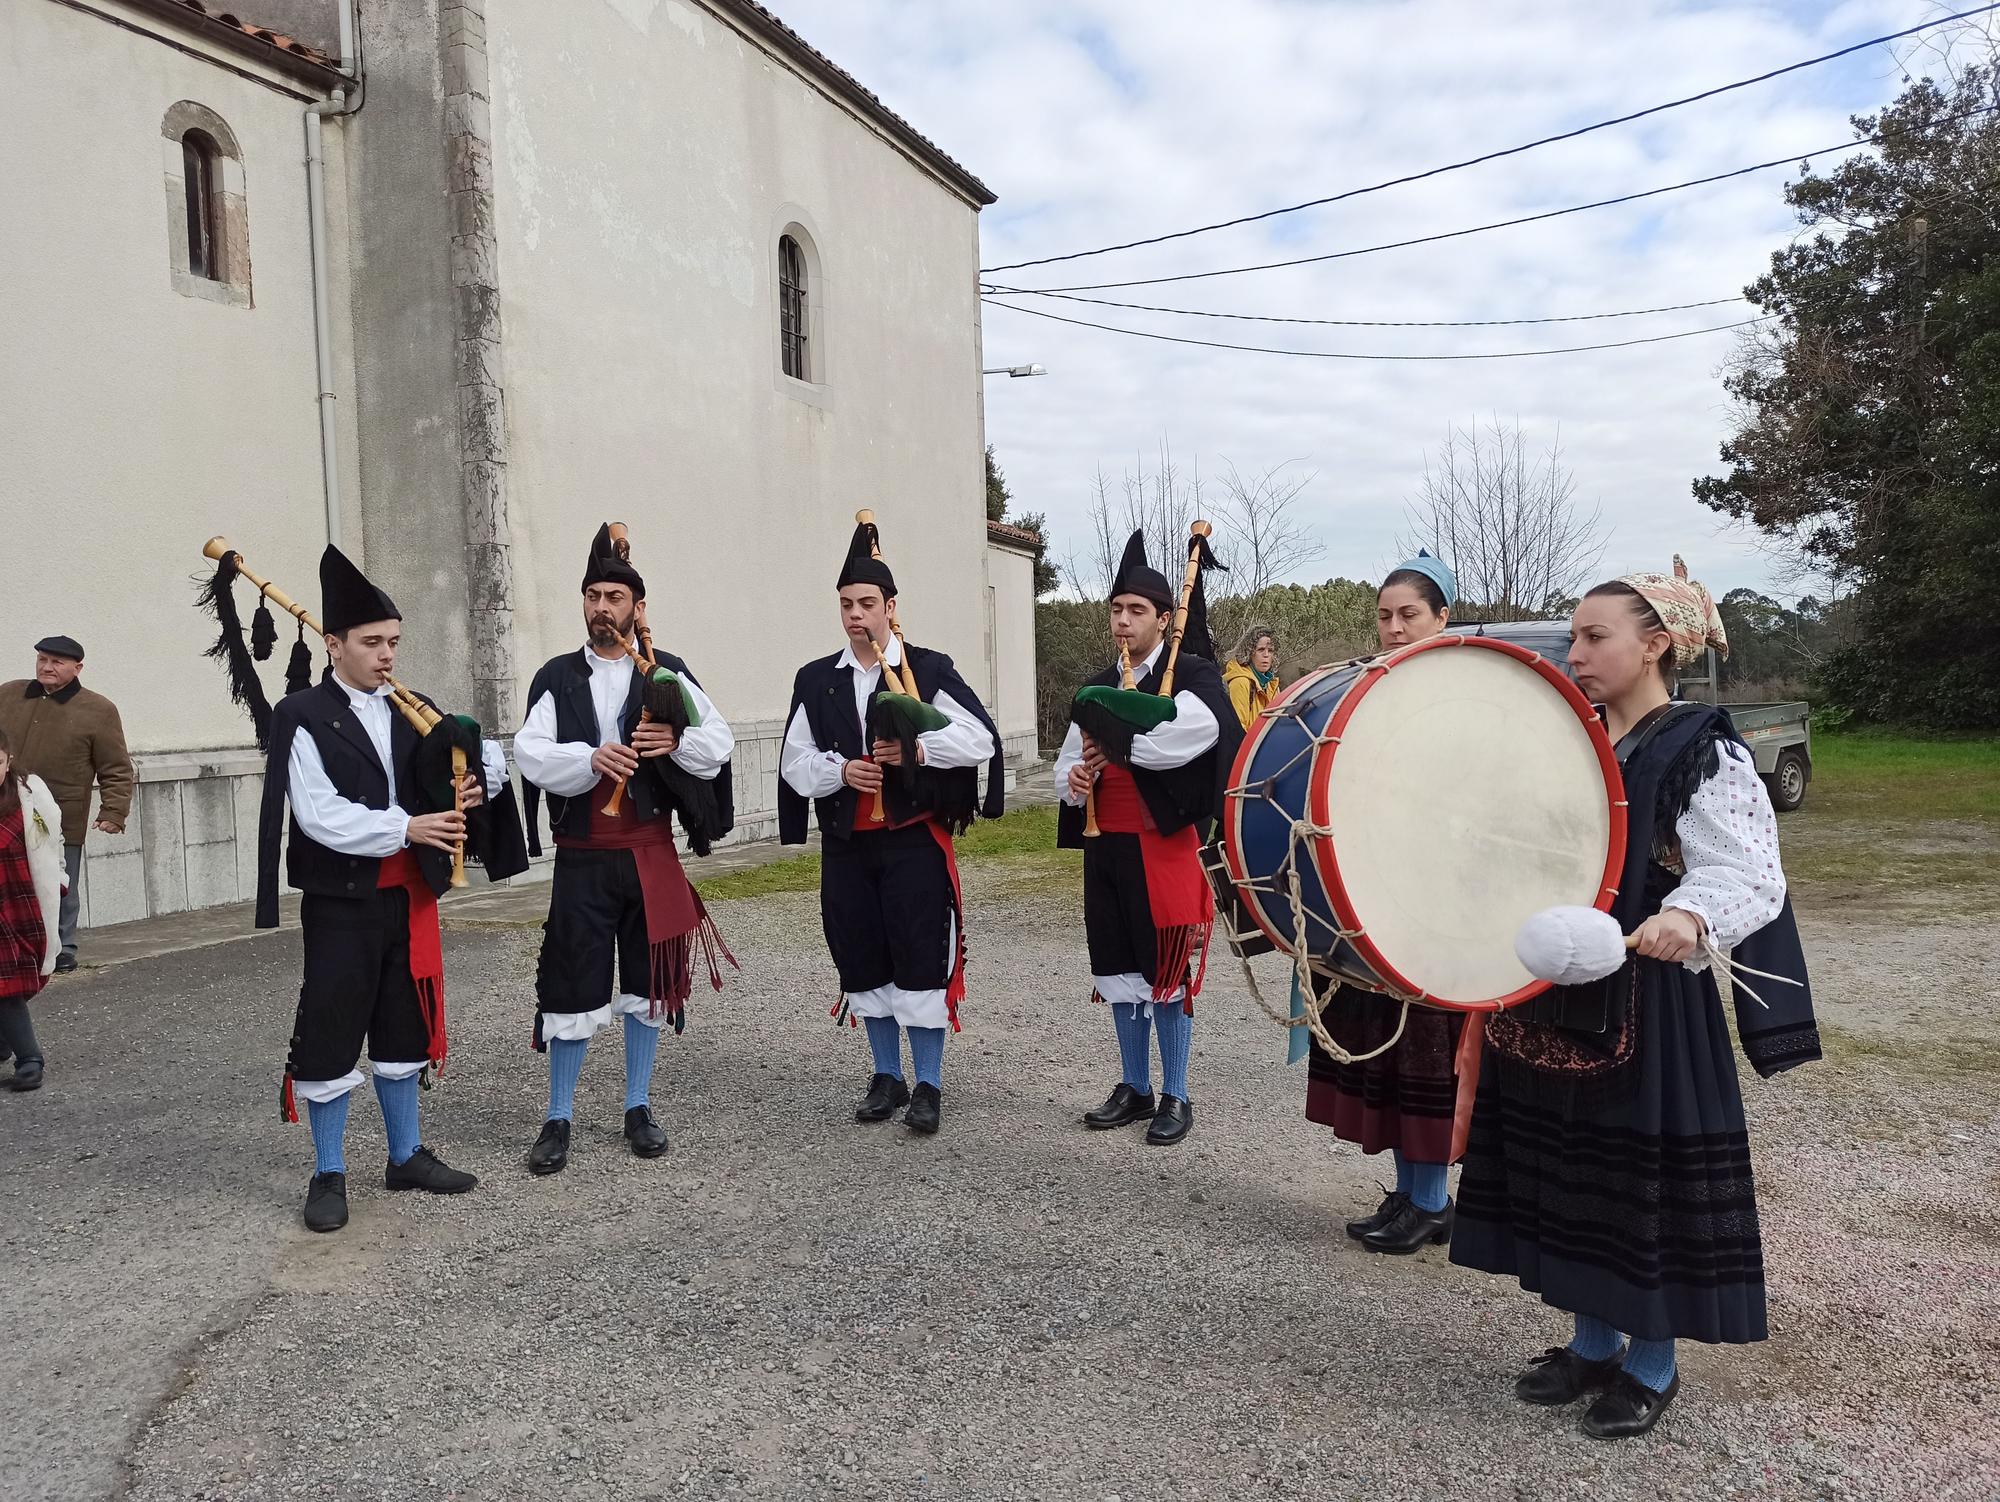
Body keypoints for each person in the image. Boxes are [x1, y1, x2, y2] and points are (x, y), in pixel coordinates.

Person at [1450, 558, 1818, 1440]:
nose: (1574, 651)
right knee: (1566, 1172)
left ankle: (1651, 1364)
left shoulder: (1702, 746)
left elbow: (1749, 871)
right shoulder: (1577, 740)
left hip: (1645, 1005)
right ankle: (1590, 1343)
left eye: (1593, 636)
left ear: (1656, 645)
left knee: (1632, 1182)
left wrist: (1690, 914)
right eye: (1574, 635)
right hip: (1549, 993)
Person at [258, 546, 529, 1233]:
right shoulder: (303, 714)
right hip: (343, 902)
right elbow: (320, 816)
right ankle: (328, 1171)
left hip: (409, 900)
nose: (387, 656)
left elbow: (482, 760)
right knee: (332, 1027)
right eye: (372, 643)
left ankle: (405, 1155)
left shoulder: (416, 710)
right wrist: (408, 825)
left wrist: (471, 782)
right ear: (333, 644)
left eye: (394, 643)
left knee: (403, 1027)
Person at [515, 526, 737, 1175]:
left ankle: (638, 1106)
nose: (601, 607)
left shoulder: (663, 672)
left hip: (648, 852)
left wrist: (675, 743)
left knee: (647, 986)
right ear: (583, 604)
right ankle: (558, 1116)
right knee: (570, 987)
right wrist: (588, 758)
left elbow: (716, 740)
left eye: (614, 596)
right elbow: (530, 752)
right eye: (593, 595)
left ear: (636, 607)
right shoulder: (556, 677)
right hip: (583, 853)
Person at [778, 515, 1003, 1135]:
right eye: (847, 604)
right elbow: (795, 762)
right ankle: (886, 1074)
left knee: (917, 956)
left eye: (867, 604)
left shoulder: (927, 669)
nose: (855, 616)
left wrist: (919, 751)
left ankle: (928, 1082)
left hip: (911, 842)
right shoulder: (817, 680)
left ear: (890, 607)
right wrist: (840, 772)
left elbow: (979, 737)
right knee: (862, 954)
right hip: (850, 844)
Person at [1304, 551, 1479, 1255]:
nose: (1395, 629)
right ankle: (1412, 1192)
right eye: (1385, 616)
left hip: (1450, 906)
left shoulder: (1473, 692)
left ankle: (1433, 1201)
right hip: (1389, 897)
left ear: (1444, 617)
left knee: (1429, 1052)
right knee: (1396, 1049)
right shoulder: (1372, 690)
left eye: (1410, 615)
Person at [1055, 529, 1239, 1146]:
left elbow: (1192, 738)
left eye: (1136, 611)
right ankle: (1134, 1085)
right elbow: (1063, 769)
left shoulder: (1193, 673)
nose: (1123, 622)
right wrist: (1077, 776)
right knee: (1119, 966)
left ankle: (1176, 1092)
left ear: (1164, 618)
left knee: (1166, 966)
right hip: (1106, 842)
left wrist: (1120, 739)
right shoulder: (1098, 681)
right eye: (1116, 610)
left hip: (1164, 845)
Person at [0, 636, 134, 973]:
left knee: (59, 881)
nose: (47, 667)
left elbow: (115, 767)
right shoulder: (8, 694)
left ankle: (62, 948)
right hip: (6, 806)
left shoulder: (99, 710)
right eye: (42, 659)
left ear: (78, 668)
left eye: (57, 662)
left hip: (61, 813)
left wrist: (113, 812)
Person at [0, 726, 66, 1091]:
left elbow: (51, 840)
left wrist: (59, 880)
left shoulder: (28, 796)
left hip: (19, 900)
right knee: (4, 985)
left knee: (10, 985)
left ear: (8, 761)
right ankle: (21, 1053)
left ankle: (27, 1057)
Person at [1222, 623, 1281, 729]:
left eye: (1270, 650)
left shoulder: (1272, 686)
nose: (1266, 655)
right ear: (1248, 652)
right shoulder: (1240, 682)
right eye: (1261, 650)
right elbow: (1237, 730)